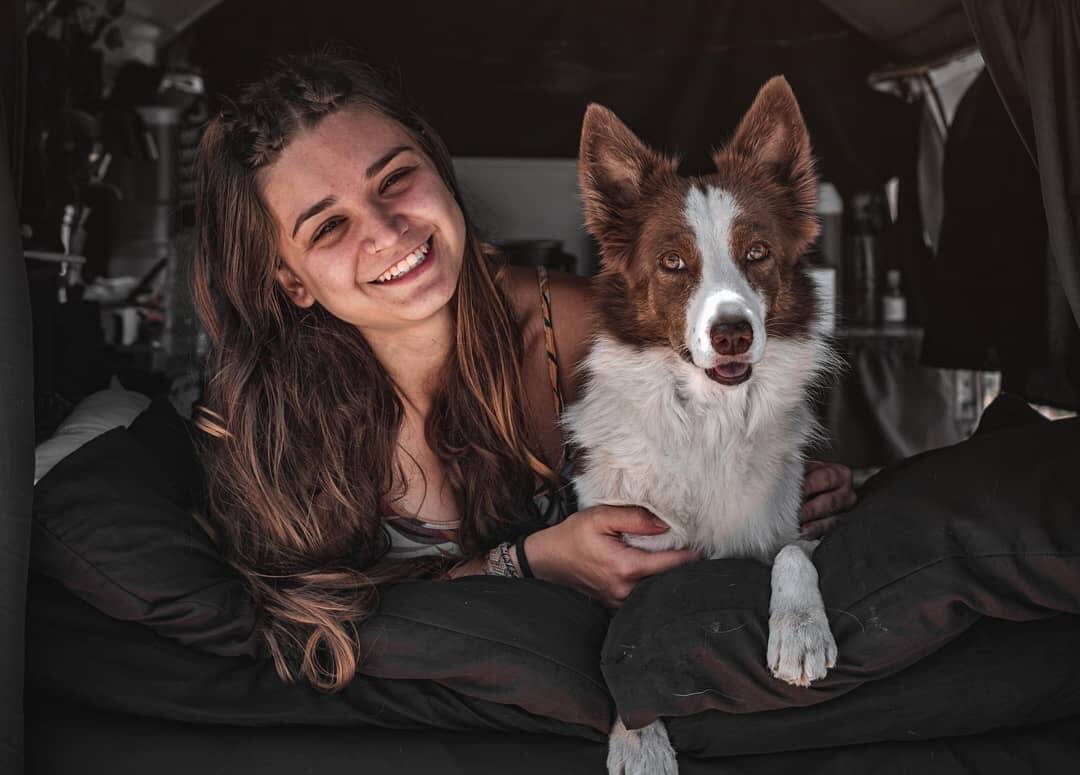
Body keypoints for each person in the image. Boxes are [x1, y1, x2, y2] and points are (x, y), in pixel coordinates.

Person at [191, 52, 856, 692]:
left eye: (395, 178)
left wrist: (781, 486)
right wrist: (530, 562)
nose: (387, 230)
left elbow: (741, 447)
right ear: (289, 277)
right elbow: (287, 626)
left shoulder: (581, 330)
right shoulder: (263, 414)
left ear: (438, 164)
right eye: (328, 226)